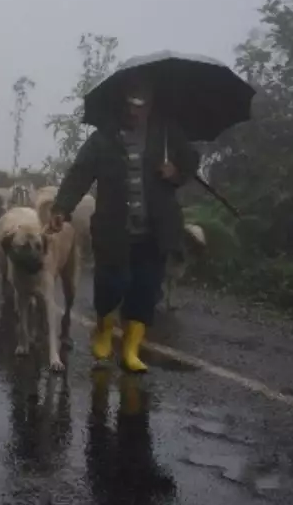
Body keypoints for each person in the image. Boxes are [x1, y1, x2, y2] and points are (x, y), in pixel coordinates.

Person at [49, 78, 199, 372]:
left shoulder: (167, 134)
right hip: (113, 228)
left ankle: (131, 349)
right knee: (111, 284)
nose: (135, 111)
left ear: (151, 105)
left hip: (155, 229)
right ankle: (103, 331)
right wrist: (61, 208)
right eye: (130, 104)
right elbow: (80, 174)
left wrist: (176, 171)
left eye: (141, 105)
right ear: (122, 104)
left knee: (145, 289)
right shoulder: (103, 138)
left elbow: (191, 161)